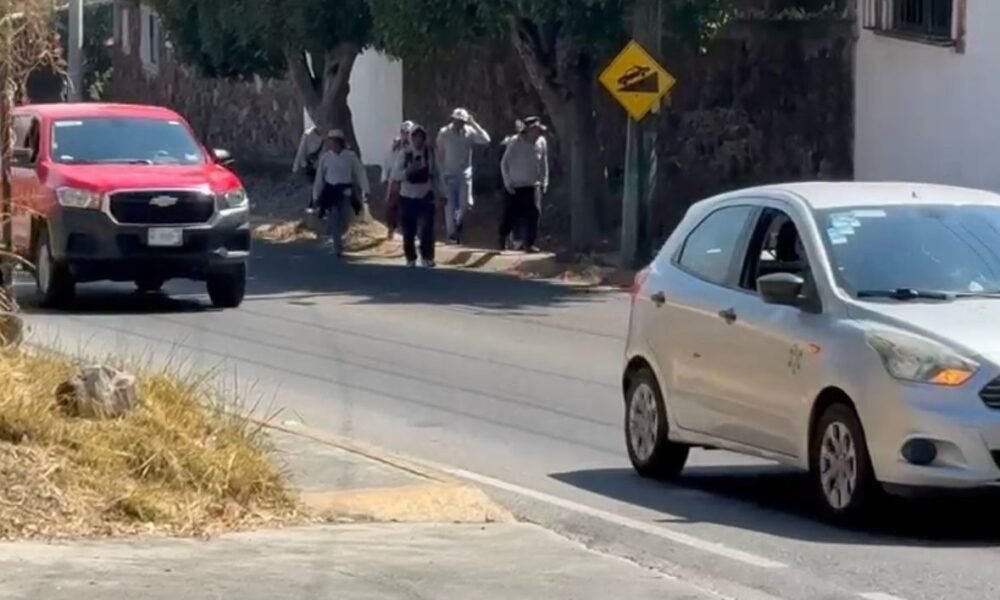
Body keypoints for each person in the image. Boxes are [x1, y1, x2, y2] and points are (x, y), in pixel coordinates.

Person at [312, 129, 371, 257]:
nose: (333, 144)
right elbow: (319, 178)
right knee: (334, 216)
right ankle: (337, 246)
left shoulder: (350, 157)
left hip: (346, 192)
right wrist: (316, 196)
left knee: (344, 219)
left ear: (341, 142)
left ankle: (339, 235)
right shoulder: (326, 158)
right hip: (331, 192)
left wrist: (365, 189)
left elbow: (360, 172)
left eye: (335, 141)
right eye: (331, 141)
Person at [436, 107, 490, 245]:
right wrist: (441, 174)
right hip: (448, 174)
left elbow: (486, 139)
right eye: (457, 120)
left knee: (465, 204)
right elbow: (440, 154)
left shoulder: (469, 132)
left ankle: (458, 225)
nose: (459, 123)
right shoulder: (444, 133)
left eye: (462, 121)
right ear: (453, 119)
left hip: (464, 175)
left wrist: (474, 123)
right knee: (450, 206)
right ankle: (452, 235)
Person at [499, 116, 549, 253]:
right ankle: (503, 237)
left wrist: (545, 180)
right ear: (527, 131)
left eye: (538, 130)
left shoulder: (542, 142)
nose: (537, 133)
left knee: (534, 213)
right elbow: (504, 163)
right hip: (516, 186)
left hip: (533, 185)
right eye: (534, 130)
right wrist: (507, 182)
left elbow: (544, 162)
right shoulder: (515, 142)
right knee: (510, 215)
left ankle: (530, 244)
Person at [392, 124, 438, 268]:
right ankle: (410, 257)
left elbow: (436, 174)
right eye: (415, 137)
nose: (418, 140)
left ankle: (427, 257)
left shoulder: (430, 153)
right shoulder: (404, 154)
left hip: (425, 195)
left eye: (421, 137)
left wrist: (441, 194)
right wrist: (408, 171)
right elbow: (395, 175)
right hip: (407, 196)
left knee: (427, 228)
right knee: (409, 230)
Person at [383, 121, 415, 241]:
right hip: (395, 180)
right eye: (403, 132)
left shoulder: (415, 147)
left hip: (409, 181)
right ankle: (391, 228)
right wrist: (385, 177)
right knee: (392, 205)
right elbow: (387, 161)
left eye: (408, 133)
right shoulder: (395, 146)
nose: (405, 135)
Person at [292, 124, 325, 214]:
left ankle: (316, 206)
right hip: (311, 167)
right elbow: (301, 150)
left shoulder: (327, 135)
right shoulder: (308, 134)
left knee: (320, 186)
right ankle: (314, 206)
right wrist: (298, 166)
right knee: (316, 186)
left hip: (322, 166)